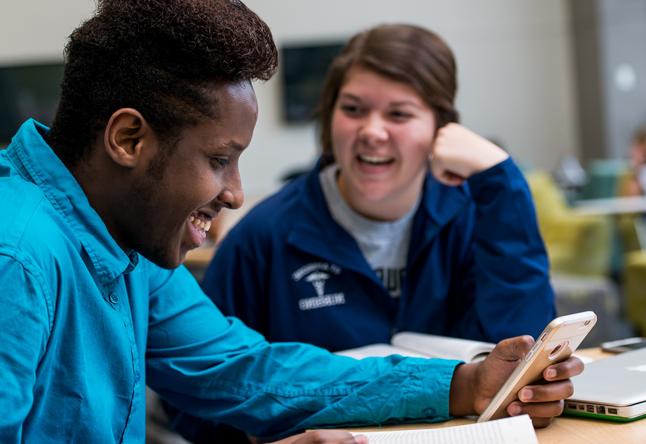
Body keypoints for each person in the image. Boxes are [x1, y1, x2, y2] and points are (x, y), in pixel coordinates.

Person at [0, 3, 583, 443]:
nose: (235, 193)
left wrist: (463, 383)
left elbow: (240, 368)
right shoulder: (17, 256)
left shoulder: (125, 238)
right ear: (129, 139)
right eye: (219, 159)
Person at [168, 22, 558, 442]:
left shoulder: (473, 218)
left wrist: (502, 185)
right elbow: (195, 395)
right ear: (330, 118)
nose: (372, 131)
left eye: (399, 114)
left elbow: (524, 358)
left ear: (441, 129)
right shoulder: (263, 235)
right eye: (353, 109)